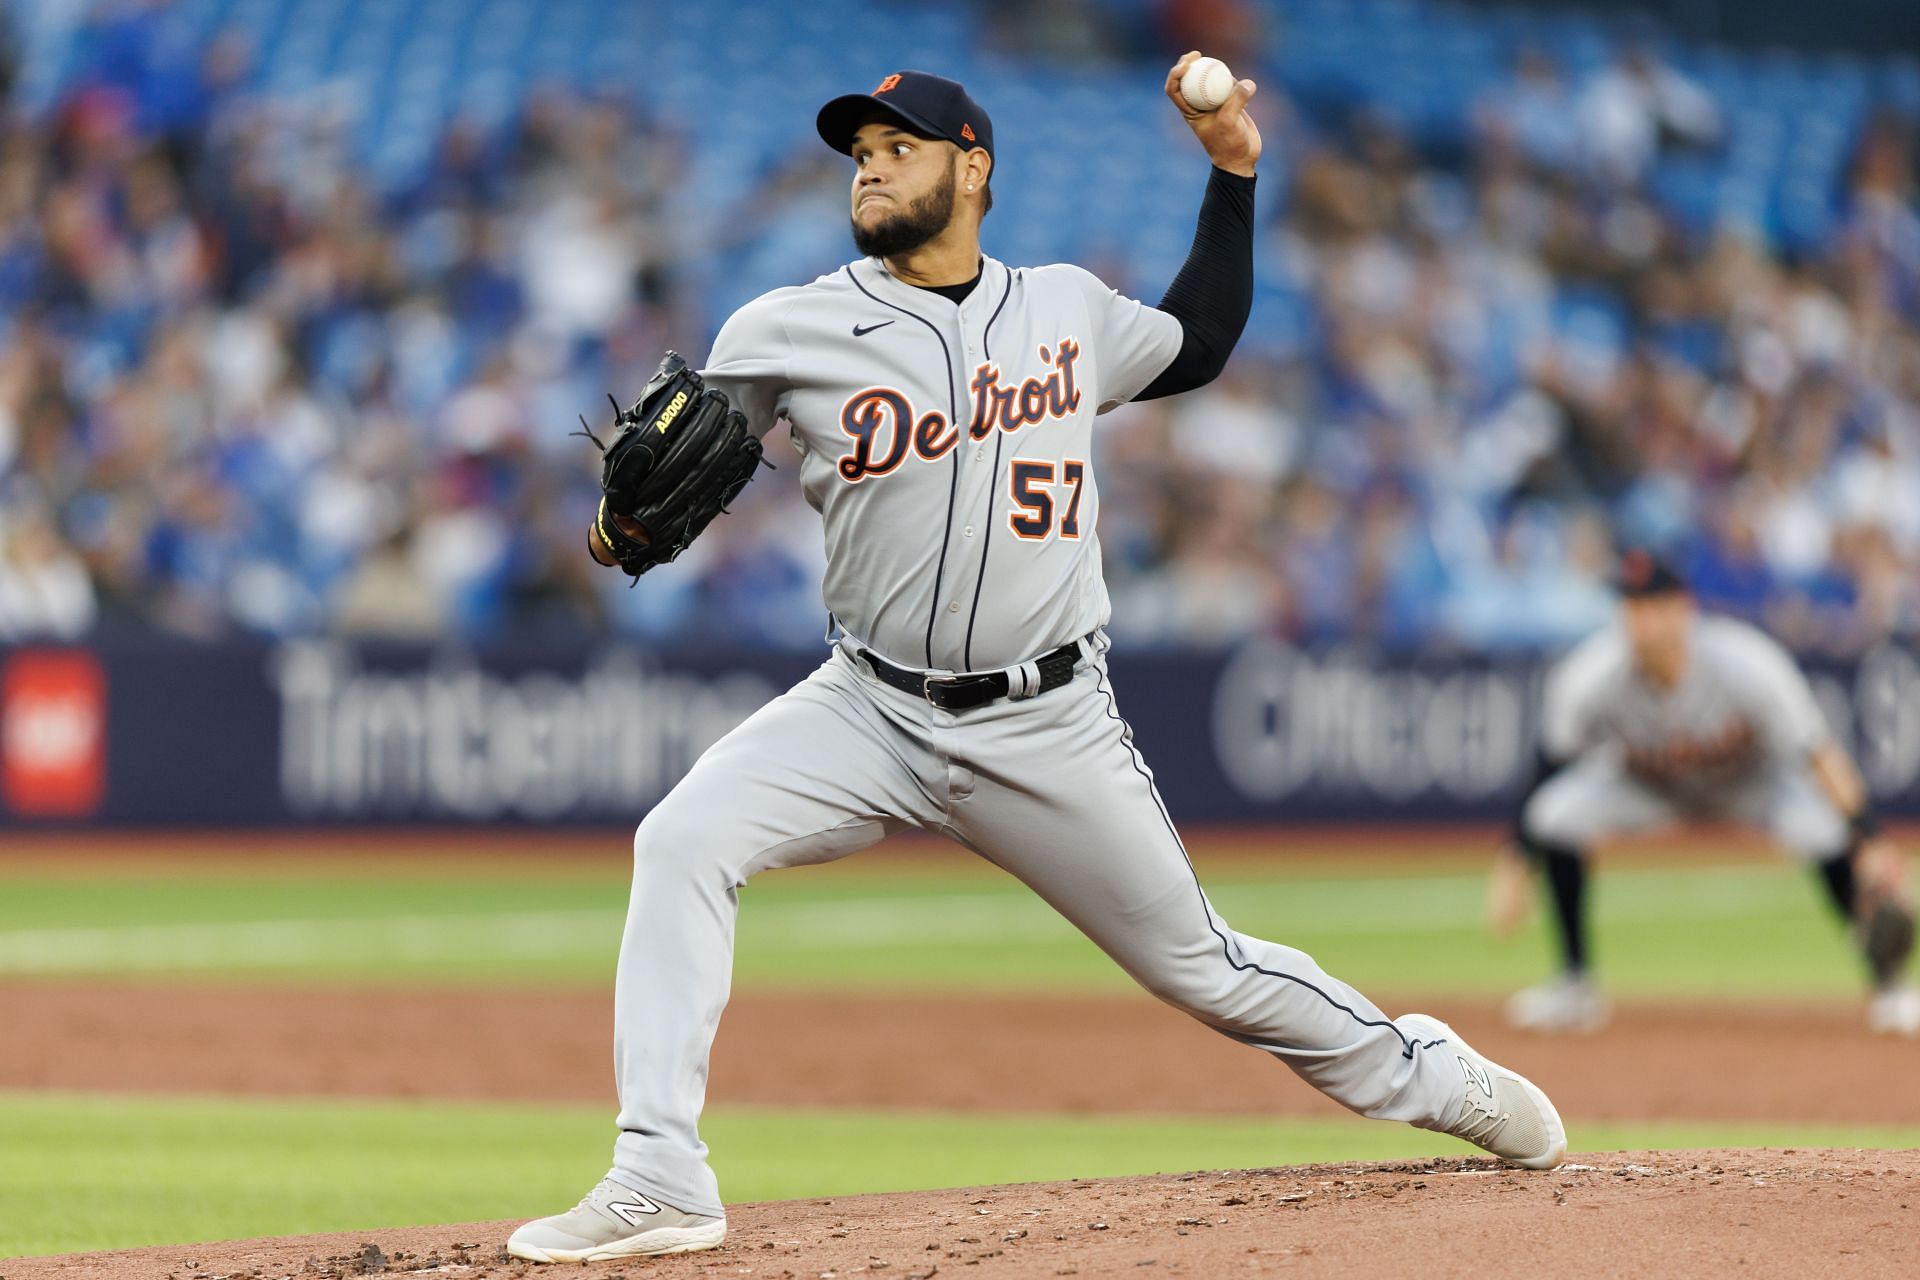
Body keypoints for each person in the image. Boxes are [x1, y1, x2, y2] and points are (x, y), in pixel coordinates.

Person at [507, 60, 1567, 1265]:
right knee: (682, 838)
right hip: (866, 705)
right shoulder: (782, 327)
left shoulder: (1064, 306)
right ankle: (659, 1172)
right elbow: (662, 485)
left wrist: (1233, 173)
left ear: (973, 167)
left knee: (1209, 971)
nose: (868, 164)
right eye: (857, 151)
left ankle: (1430, 1073)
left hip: (1047, 718)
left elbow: (1201, 343)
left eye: (897, 146)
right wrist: (613, 529)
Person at [1491, 550, 1919, 1036]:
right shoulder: (1591, 674)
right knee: (1553, 814)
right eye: (1628, 605)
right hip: (1647, 787)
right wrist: (1516, 859)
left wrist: (1870, 837)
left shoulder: (1747, 663)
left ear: (1683, 609)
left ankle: (1890, 985)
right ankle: (1576, 984)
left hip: (1751, 782)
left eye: (1650, 604)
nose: (1637, 619)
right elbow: (1550, 762)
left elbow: (1818, 756)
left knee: (1822, 829)